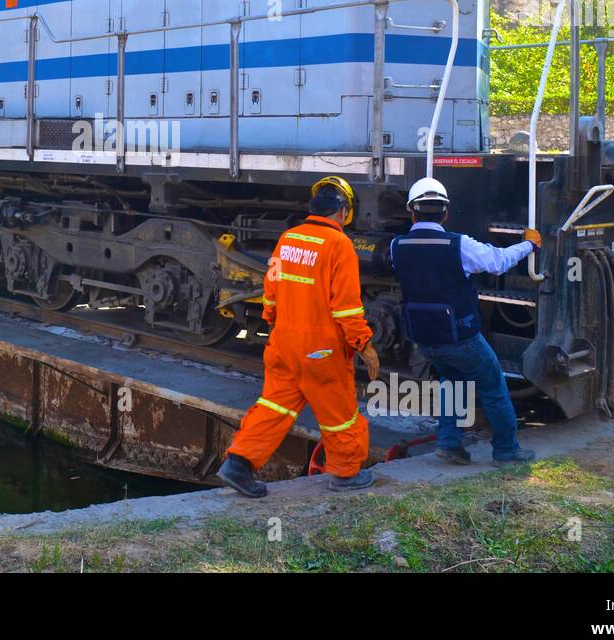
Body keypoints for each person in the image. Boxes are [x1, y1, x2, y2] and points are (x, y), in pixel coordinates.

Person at [218, 176, 380, 497]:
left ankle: (238, 464)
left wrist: (277, 325)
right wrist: (365, 346)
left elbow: (270, 293)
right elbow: (346, 309)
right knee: (340, 413)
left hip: (283, 344)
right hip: (321, 351)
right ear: (344, 212)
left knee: (275, 406)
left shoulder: (288, 238)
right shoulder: (340, 246)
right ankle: (346, 473)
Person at [388, 177, 543, 467]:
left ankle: (449, 444)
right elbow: (497, 261)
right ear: (446, 213)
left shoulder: (397, 247)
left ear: (412, 212)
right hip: (460, 336)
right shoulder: (457, 244)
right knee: (493, 384)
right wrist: (527, 245)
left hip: (424, 338)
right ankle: (507, 451)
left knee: (452, 382)